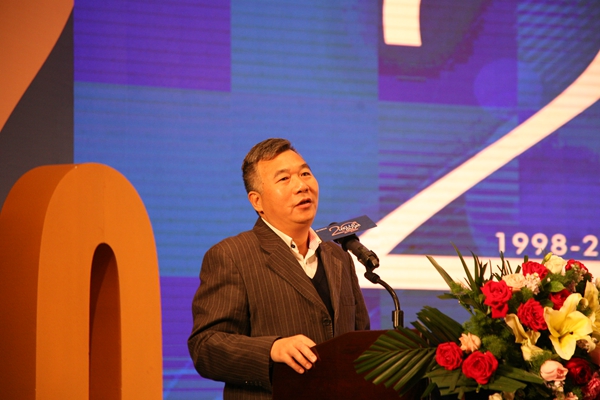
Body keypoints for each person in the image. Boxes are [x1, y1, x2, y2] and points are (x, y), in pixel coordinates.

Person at [188, 138, 370, 399]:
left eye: (305, 174)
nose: (302, 185)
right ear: (257, 201)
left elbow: (360, 339)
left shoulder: (338, 256)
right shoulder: (231, 256)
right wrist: (271, 349)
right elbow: (205, 347)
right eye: (284, 179)